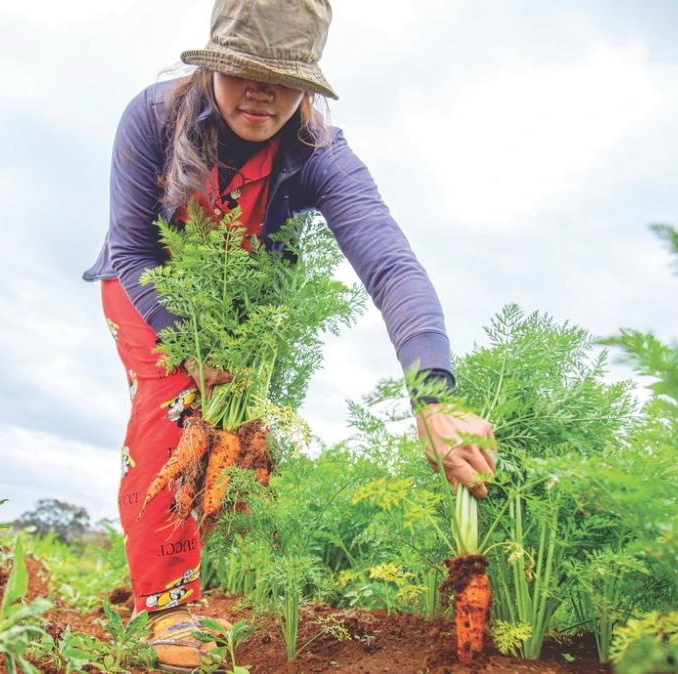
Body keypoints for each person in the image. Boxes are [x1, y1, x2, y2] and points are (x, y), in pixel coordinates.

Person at [81, 1, 498, 670]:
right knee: (175, 410)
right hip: (147, 290)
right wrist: (192, 348)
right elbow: (133, 249)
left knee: (232, 447)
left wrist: (432, 395)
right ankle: (160, 609)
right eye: (245, 71)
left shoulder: (319, 154)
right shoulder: (154, 116)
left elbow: (390, 265)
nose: (263, 93)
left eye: (284, 77)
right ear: (215, 62)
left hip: (239, 307)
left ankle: (170, 572)